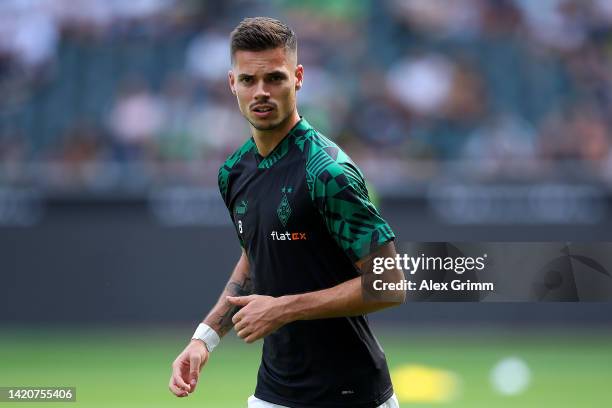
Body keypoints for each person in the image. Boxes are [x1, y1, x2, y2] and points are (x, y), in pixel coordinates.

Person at [169, 16, 405, 408]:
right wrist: (204, 338)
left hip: (351, 395)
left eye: (274, 78)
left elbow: (390, 283)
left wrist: (282, 309)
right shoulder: (233, 172)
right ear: (232, 84)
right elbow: (255, 256)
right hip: (274, 393)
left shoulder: (327, 172)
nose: (261, 92)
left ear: (297, 77)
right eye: (248, 80)